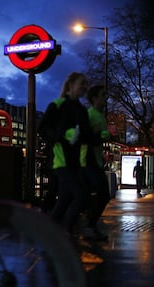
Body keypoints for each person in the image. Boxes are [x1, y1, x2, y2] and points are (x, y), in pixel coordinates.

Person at [37, 72, 92, 235]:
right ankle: (64, 232)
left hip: (74, 160)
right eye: (82, 83)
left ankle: (49, 233)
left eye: (86, 84)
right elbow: (43, 129)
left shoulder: (82, 110)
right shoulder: (58, 105)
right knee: (80, 197)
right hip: (60, 160)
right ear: (70, 85)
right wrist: (62, 136)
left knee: (64, 199)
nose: (85, 87)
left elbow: (86, 135)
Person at [81, 84, 111, 241]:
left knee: (89, 195)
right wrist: (103, 135)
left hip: (95, 160)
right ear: (94, 98)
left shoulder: (100, 116)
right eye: (102, 96)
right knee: (103, 194)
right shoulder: (90, 115)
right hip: (87, 159)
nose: (105, 99)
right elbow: (85, 137)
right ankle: (88, 226)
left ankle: (87, 225)